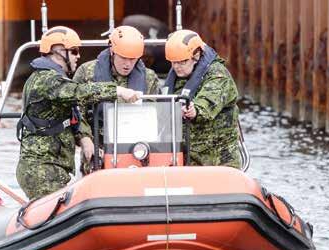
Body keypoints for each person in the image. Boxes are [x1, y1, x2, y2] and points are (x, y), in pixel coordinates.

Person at [16, 26, 140, 199]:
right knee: (54, 216)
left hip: (52, 167)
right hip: (42, 169)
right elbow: (79, 92)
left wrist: (85, 139)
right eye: (74, 51)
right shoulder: (47, 80)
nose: (78, 56)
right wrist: (118, 90)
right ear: (57, 52)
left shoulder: (52, 78)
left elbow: (74, 112)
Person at [163, 29, 242, 169]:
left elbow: (208, 102)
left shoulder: (218, 76)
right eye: (173, 62)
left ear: (196, 55)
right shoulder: (178, 76)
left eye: (182, 62)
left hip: (218, 157)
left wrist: (195, 110)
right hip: (186, 156)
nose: (176, 67)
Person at [73, 26, 160, 148]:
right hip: (98, 148)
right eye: (123, 58)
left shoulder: (149, 78)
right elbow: (75, 111)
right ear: (112, 51)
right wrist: (85, 139)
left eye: (133, 59)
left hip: (138, 149)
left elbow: (159, 117)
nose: (128, 64)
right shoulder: (86, 72)